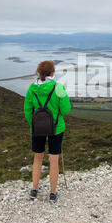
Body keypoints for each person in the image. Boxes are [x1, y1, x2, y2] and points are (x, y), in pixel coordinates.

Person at [24, 61, 71, 201]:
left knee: (37, 158)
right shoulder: (58, 87)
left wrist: (35, 124)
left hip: (37, 129)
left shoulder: (32, 88)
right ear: (52, 72)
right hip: (56, 129)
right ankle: (52, 193)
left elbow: (27, 111)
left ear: (39, 72)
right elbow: (66, 110)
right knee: (53, 159)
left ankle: (34, 189)